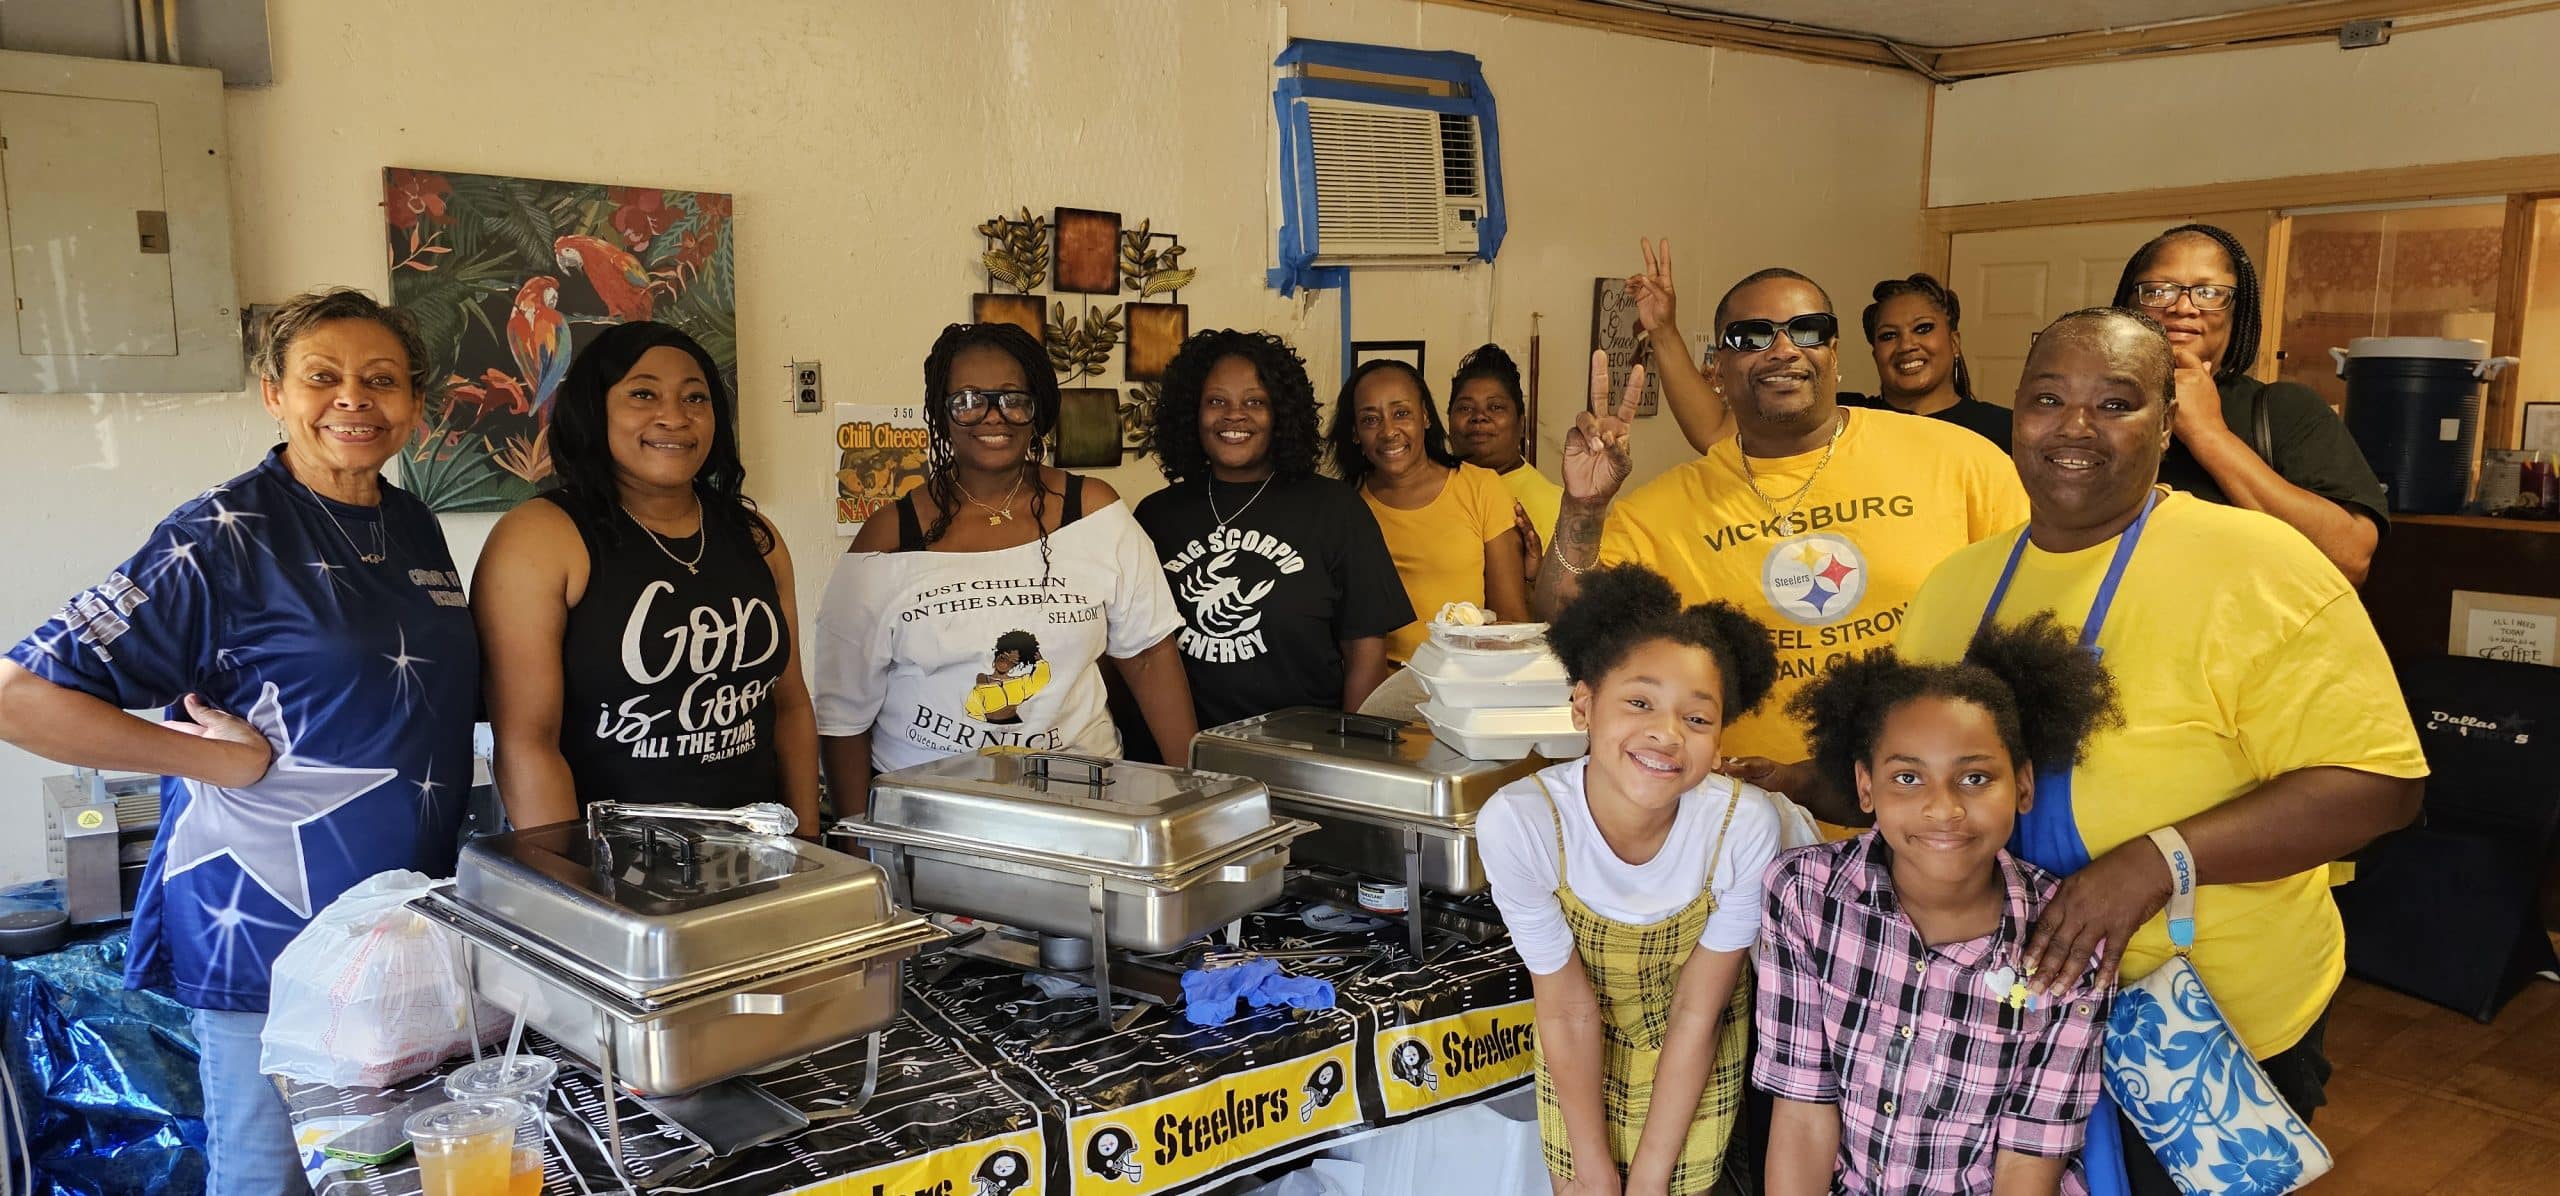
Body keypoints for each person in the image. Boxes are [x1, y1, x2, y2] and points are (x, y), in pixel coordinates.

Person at [1893, 307, 2425, 1193]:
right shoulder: (1957, 584)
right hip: (2008, 1017)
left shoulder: (2261, 565)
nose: (2074, 427)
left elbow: (2380, 785)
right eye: (2047, 399)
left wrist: (2156, 861)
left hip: (2201, 1032)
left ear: (2169, 423)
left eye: (2115, 403)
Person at [0, 288, 478, 1195]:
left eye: (381, 380)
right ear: (274, 395)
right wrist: (215, 758)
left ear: (415, 403)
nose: (354, 398)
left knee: (378, 1176)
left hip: (393, 924)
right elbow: (20, 697)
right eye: (322, 377)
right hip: (266, 926)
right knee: (268, 1178)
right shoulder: (220, 535)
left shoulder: (408, 522)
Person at [1537, 264, 2029, 792]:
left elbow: (2035, 625)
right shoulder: (1663, 508)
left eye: (1807, 330)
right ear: (1718, 367)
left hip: (1933, 810)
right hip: (1744, 813)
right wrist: (1583, 508)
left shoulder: (1961, 461)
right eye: (1752, 336)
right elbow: (1562, 614)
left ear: (1834, 352)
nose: (1783, 349)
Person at [1759, 612, 2120, 1195]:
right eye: (1908, 778)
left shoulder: (2070, 937)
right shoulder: (1805, 894)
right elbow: (1803, 1106)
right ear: (1866, 787)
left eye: (1975, 778)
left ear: (2023, 785)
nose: (1944, 808)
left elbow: (2030, 1155)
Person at [1478, 563, 1782, 1196]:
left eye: (1697, 719)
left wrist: (1647, 1178)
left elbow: (1699, 1010)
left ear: (1720, 738)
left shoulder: (1742, 826)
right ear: (1584, 705)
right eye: (1639, 702)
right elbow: (1566, 1007)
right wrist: (1593, 1168)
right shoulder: (1522, 822)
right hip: (1578, 1046)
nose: (1666, 734)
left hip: (1697, 1047)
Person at [814, 323, 1192, 817]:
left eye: (1013, 399)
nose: (994, 416)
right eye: (969, 400)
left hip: (1084, 808)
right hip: (931, 818)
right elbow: (843, 715)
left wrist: (1194, 791)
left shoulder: (1093, 512)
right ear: (941, 413)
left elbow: (1148, 657)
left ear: (1038, 409)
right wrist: (855, 837)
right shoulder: (888, 537)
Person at [474, 321, 820, 832]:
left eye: (695, 398)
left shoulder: (754, 535)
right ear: (595, 409)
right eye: (643, 394)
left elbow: (789, 706)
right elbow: (528, 744)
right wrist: (567, 874)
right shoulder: (540, 537)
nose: (675, 417)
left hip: (759, 852)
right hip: (612, 861)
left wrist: (810, 842)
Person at [1133, 329, 1410, 729]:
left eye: (1255, 402)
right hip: (1185, 754)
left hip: (1303, 750)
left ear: (1281, 413)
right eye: (1216, 401)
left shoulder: (1336, 510)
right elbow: (1136, 653)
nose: (1234, 415)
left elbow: (1365, 652)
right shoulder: (1155, 516)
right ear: (1192, 412)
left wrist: (1349, 751)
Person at [2110, 223, 2387, 585]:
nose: (2182, 307)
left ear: (2236, 313)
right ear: (2128, 305)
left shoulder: (2284, 409)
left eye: (2209, 292)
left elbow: (2350, 559)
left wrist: (2209, 434)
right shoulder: (2087, 409)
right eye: (2158, 290)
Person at [1327, 359, 1529, 663]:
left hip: (1464, 677)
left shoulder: (1480, 488)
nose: (1389, 431)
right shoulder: (1344, 507)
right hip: (1379, 684)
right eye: (1370, 420)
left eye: (1401, 413)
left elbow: (1511, 620)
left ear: (1425, 416)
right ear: (1355, 432)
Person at [1843, 274, 2011, 451]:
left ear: (1954, 343)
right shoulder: (1846, 419)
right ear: (1876, 355)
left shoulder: (2004, 429)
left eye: (1923, 328)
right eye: (1889, 335)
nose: (1906, 346)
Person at [1447, 343, 1562, 583]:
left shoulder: (1559, 507)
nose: (1479, 417)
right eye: (1465, 408)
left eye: (1495, 407)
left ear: (1521, 423)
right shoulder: (1431, 490)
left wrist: (1533, 577)